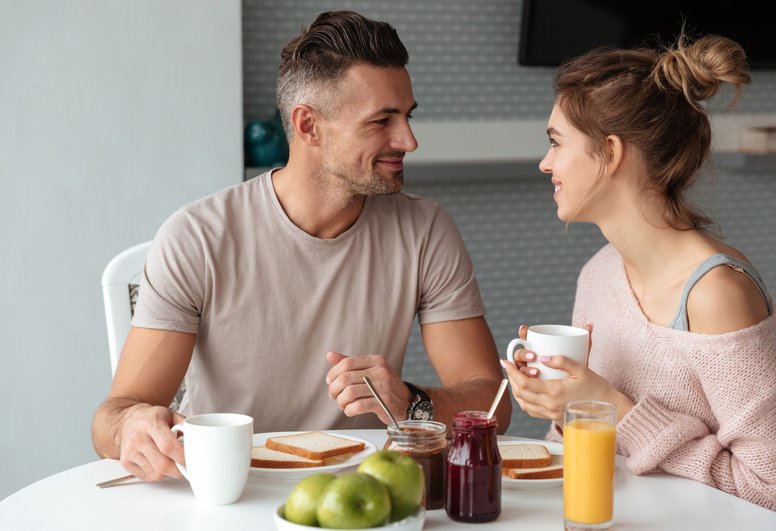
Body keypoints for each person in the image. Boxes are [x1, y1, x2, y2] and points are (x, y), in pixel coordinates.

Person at [92, 10, 511, 482]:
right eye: (382, 121)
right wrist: (132, 425)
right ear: (308, 125)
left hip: (362, 495)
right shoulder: (197, 237)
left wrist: (410, 400)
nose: (409, 140)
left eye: (408, 116)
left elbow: (492, 401)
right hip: (229, 490)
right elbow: (113, 415)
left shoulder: (426, 230)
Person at [501, 36, 776, 530]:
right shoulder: (600, 273)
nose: (546, 163)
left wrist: (611, 406)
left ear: (610, 153)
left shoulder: (716, 292)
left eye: (555, 142)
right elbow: (598, 456)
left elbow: (771, 494)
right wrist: (562, 402)